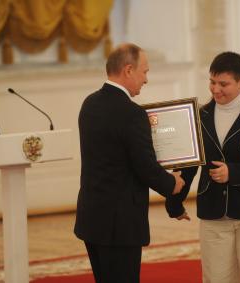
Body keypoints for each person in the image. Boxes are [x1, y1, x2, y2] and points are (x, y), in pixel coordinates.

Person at [166, 51, 240, 283]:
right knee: (216, 279)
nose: (215, 89)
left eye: (223, 84)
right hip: (214, 214)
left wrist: (233, 172)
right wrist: (174, 201)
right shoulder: (200, 117)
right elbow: (188, 164)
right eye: (212, 82)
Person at [74, 43, 185, 283]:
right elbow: (144, 166)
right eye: (144, 71)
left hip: (92, 217)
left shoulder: (89, 104)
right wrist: (172, 184)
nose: (146, 79)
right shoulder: (132, 113)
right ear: (128, 70)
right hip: (120, 224)